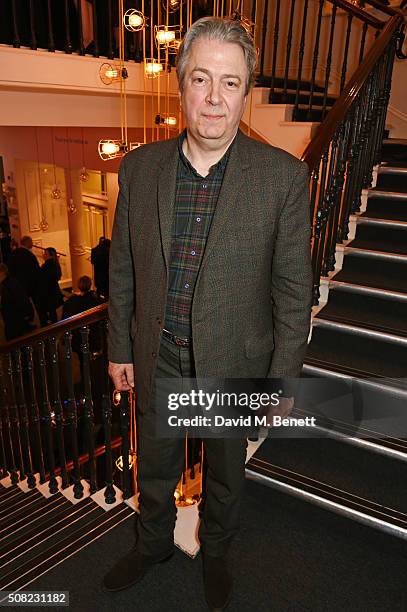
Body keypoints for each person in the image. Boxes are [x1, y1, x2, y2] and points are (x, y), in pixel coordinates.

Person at [104, 16, 312, 611]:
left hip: (235, 361)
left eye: (230, 83)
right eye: (201, 79)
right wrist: (121, 347)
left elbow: (294, 293)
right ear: (180, 84)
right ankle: (153, 545)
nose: (215, 99)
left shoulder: (282, 179)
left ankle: (215, 550)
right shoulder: (139, 169)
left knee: (224, 474)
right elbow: (122, 271)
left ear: (246, 91)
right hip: (159, 351)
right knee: (156, 463)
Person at [0, 263, 36, 341]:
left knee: (17, 342)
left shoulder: (10, 284)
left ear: (2, 273)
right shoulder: (6, 284)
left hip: (15, 320)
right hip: (12, 319)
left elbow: (22, 300)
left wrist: (28, 315)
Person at [7, 235, 40, 305]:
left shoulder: (14, 254)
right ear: (27, 243)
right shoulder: (30, 255)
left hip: (18, 284)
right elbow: (36, 270)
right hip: (31, 284)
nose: (32, 244)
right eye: (31, 242)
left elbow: (10, 269)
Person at [37, 247, 64, 326]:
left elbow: (42, 278)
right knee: (52, 311)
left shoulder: (47, 266)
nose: (43, 255)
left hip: (48, 292)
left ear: (51, 256)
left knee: (50, 310)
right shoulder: (55, 265)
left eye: (45, 253)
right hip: (53, 290)